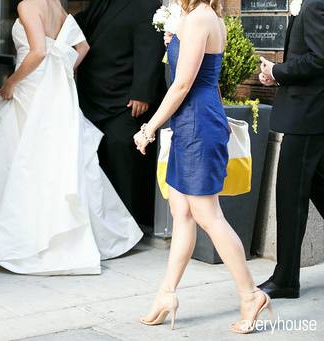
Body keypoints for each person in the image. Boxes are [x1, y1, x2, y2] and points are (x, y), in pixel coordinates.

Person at [0, 0, 143, 275]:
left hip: (31, 89)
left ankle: (25, 237)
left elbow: (38, 52)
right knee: (54, 158)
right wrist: (63, 68)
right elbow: (83, 48)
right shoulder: (57, 7)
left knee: (25, 159)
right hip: (55, 90)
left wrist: (11, 82)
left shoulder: (28, 6)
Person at [133, 0, 273, 334]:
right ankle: (166, 295)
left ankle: (250, 295)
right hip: (192, 123)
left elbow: (183, 85)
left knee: (208, 215)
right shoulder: (201, 18)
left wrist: (148, 128)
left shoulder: (200, 20)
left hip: (197, 124)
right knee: (181, 212)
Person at [75, 0, 167, 230]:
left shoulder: (147, 4)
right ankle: (108, 222)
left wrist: (142, 92)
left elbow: (150, 47)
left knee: (123, 157)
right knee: (99, 157)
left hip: (127, 98)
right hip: (95, 94)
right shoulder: (101, 3)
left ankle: (132, 221)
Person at [257, 0, 324, 299]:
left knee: (289, 196)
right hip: (307, 113)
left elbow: (319, 59)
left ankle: (285, 279)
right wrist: (276, 74)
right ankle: (285, 278)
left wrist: (278, 70)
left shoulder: (315, 4)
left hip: (308, 116)